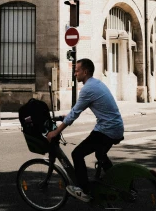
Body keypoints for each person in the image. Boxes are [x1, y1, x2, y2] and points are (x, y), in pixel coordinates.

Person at [46, 58, 124, 202]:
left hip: (107, 129)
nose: (75, 74)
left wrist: (56, 132)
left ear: (85, 72)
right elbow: (76, 111)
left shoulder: (87, 89)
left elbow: (74, 114)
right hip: (115, 127)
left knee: (77, 154)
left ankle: (84, 190)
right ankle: (118, 183)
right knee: (100, 154)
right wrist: (64, 117)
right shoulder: (96, 83)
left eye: (77, 71)